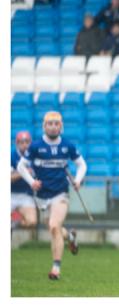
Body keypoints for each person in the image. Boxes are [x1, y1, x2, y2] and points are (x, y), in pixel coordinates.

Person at [15, 112, 83, 280]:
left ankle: (56, 268)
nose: (53, 126)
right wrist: (32, 182)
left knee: (54, 226)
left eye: (56, 123)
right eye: (50, 123)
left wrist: (78, 179)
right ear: (44, 126)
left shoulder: (67, 146)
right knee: (56, 229)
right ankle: (71, 237)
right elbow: (21, 166)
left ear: (61, 126)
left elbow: (82, 164)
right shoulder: (36, 146)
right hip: (42, 196)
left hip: (61, 193)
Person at [11, 131, 37, 230]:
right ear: (17, 144)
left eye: (27, 142)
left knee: (32, 222)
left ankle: (14, 219)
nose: (25, 145)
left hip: (26, 195)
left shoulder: (34, 156)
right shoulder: (11, 156)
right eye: (21, 142)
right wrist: (23, 172)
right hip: (11, 194)